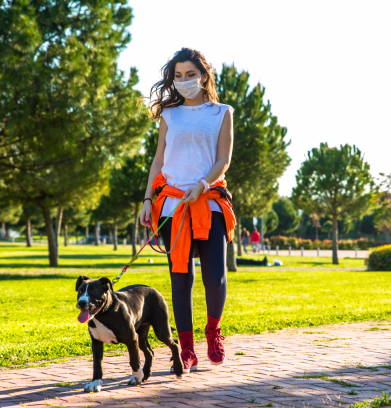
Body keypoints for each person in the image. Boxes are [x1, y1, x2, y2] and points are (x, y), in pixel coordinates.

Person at [138, 47, 236, 373]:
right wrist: (148, 199)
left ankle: (213, 330)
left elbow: (223, 160)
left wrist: (204, 184)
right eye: (178, 76)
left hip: (209, 202)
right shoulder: (170, 115)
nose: (184, 81)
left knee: (215, 276)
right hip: (173, 206)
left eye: (190, 75)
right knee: (181, 278)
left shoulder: (221, 113)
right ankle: (186, 348)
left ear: (204, 75)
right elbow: (158, 159)